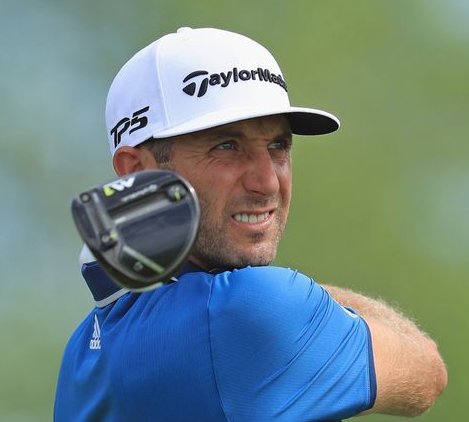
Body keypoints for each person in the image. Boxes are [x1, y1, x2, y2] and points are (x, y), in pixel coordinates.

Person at [55, 27, 447, 421]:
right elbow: (426, 370)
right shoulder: (248, 310)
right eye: (226, 146)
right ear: (137, 171)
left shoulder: (85, 347)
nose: (268, 182)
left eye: (278, 146)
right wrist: (308, 299)